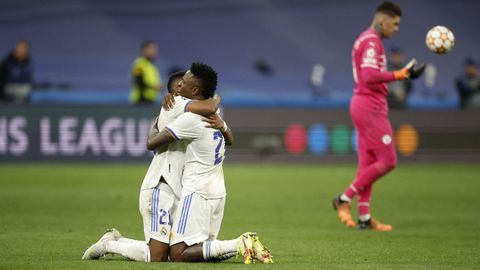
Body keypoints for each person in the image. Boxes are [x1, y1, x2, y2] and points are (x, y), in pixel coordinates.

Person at [83, 67, 221, 262]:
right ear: (173, 94)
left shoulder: (191, 109)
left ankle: (115, 239)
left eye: (184, 83)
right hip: (160, 184)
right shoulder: (176, 104)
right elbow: (210, 106)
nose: (180, 88)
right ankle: (109, 245)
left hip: (178, 188)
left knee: (169, 252)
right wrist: (217, 99)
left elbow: (211, 108)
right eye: (177, 86)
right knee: (157, 256)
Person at [142, 63, 273, 264]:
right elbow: (230, 138)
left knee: (178, 253)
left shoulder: (190, 119)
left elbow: (152, 143)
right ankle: (242, 246)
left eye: (182, 84)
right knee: (201, 252)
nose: (178, 88)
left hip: (196, 191)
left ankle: (239, 243)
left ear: (194, 90)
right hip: (218, 191)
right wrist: (221, 120)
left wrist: (157, 121)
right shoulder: (214, 117)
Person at [331, 1, 425, 231]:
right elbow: (369, 76)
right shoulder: (372, 42)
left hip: (362, 104)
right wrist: (401, 74)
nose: (396, 28)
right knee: (388, 160)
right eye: (395, 24)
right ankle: (344, 199)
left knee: (367, 165)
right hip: (370, 105)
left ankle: (364, 218)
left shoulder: (364, 39)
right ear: (382, 21)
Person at [129, 41, 163, 105]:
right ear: (144, 50)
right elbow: (138, 80)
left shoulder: (152, 66)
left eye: (155, 49)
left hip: (150, 100)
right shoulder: (139, 64)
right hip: (140, 100)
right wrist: (154, 86)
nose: (154, 51)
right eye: (151, 49)